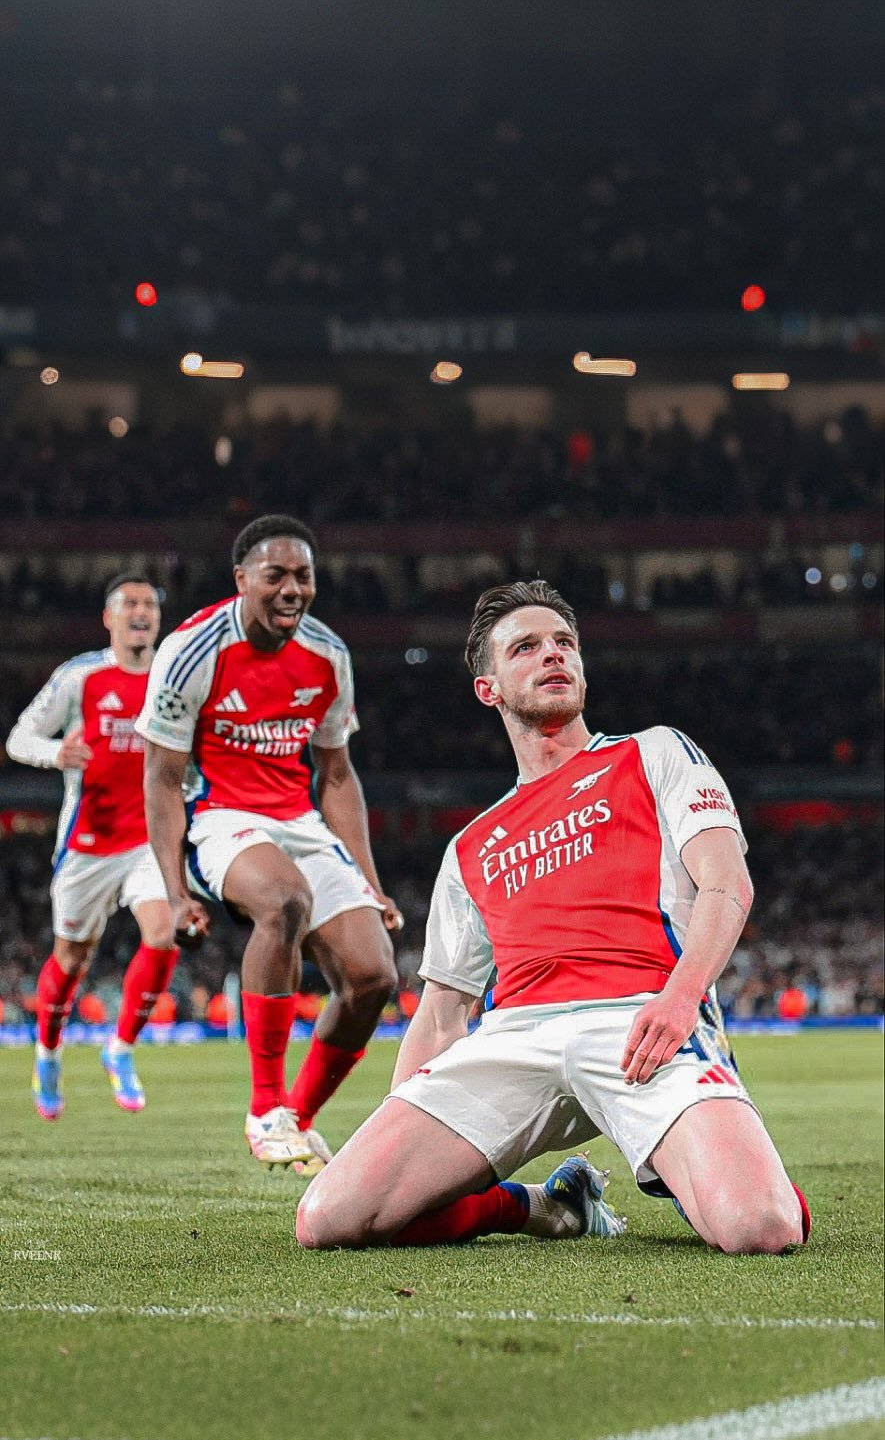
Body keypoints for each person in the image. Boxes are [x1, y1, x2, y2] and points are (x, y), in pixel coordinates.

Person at [296, 578, 811, 1254]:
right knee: (331, 1218)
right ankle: (547, 1206)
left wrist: (681, 996)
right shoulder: (471, 845)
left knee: (759, 1228)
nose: (552, 654)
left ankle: (715, 1172)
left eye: (564, 642)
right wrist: (403, 1118)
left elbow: (726, 883)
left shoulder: (653, 752)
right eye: (526, 647)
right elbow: (444, 1011)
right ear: (488, 690)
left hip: (639, 1019)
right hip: (513, 1037)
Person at [138, 514, 400, 1170]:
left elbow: (336, 774)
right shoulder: (192, 649)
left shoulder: (328, 654)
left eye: (303, 577)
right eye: (275, 575)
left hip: (298, 820)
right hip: (218, 815)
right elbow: (162, 778)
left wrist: (369, 882)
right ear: (241, 579)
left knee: (373, 977)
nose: (292, 589)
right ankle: (264, 1108)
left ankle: (296, 1120)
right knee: (285, 900)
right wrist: (174, 893)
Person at [6, 574, 178, 1119]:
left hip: (147, 841)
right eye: (130, 603)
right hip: (87, 843)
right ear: (109, 617)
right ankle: (47, 1053)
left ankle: (120, 1048)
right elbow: (19, 738)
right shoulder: (80, 677)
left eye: (149, 604)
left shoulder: (174, 677)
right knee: (71, 960)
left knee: (165, 933)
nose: (141, 612)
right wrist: (56, 754)